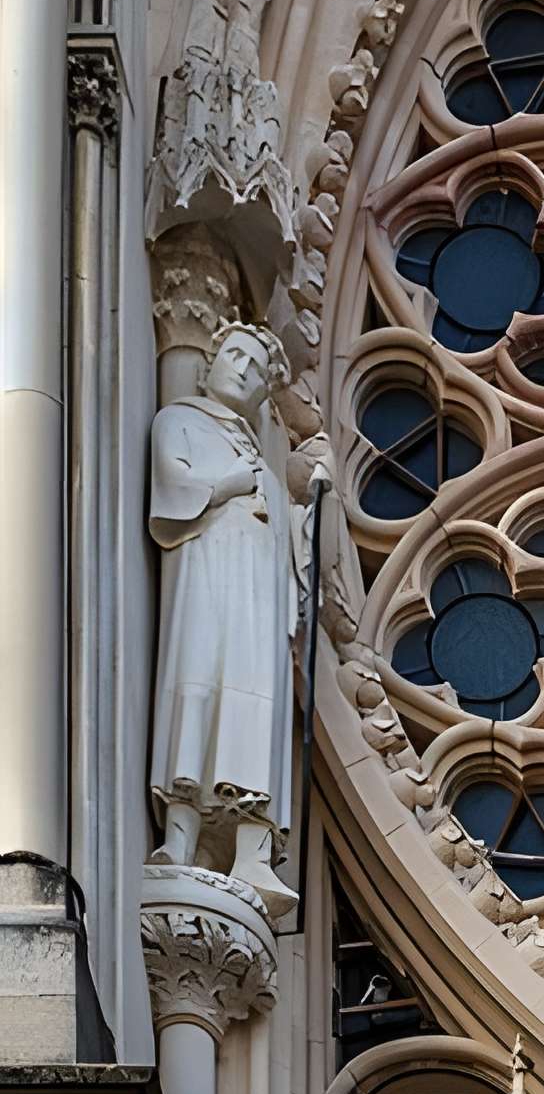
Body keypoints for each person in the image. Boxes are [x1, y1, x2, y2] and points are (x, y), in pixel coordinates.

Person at [148, 322, 302, 905]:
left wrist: (308, 516)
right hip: (206, 586)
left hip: (257, 609)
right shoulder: (180, 420)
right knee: (199, 695)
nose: (243, 369)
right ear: (209, 362)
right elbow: (173, 485)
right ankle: (180, 839)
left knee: (255, 712)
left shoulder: (260, 453)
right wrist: (232, 483)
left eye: (257, 368)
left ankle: (253, 855)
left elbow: (289, 554)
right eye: (234, 355)